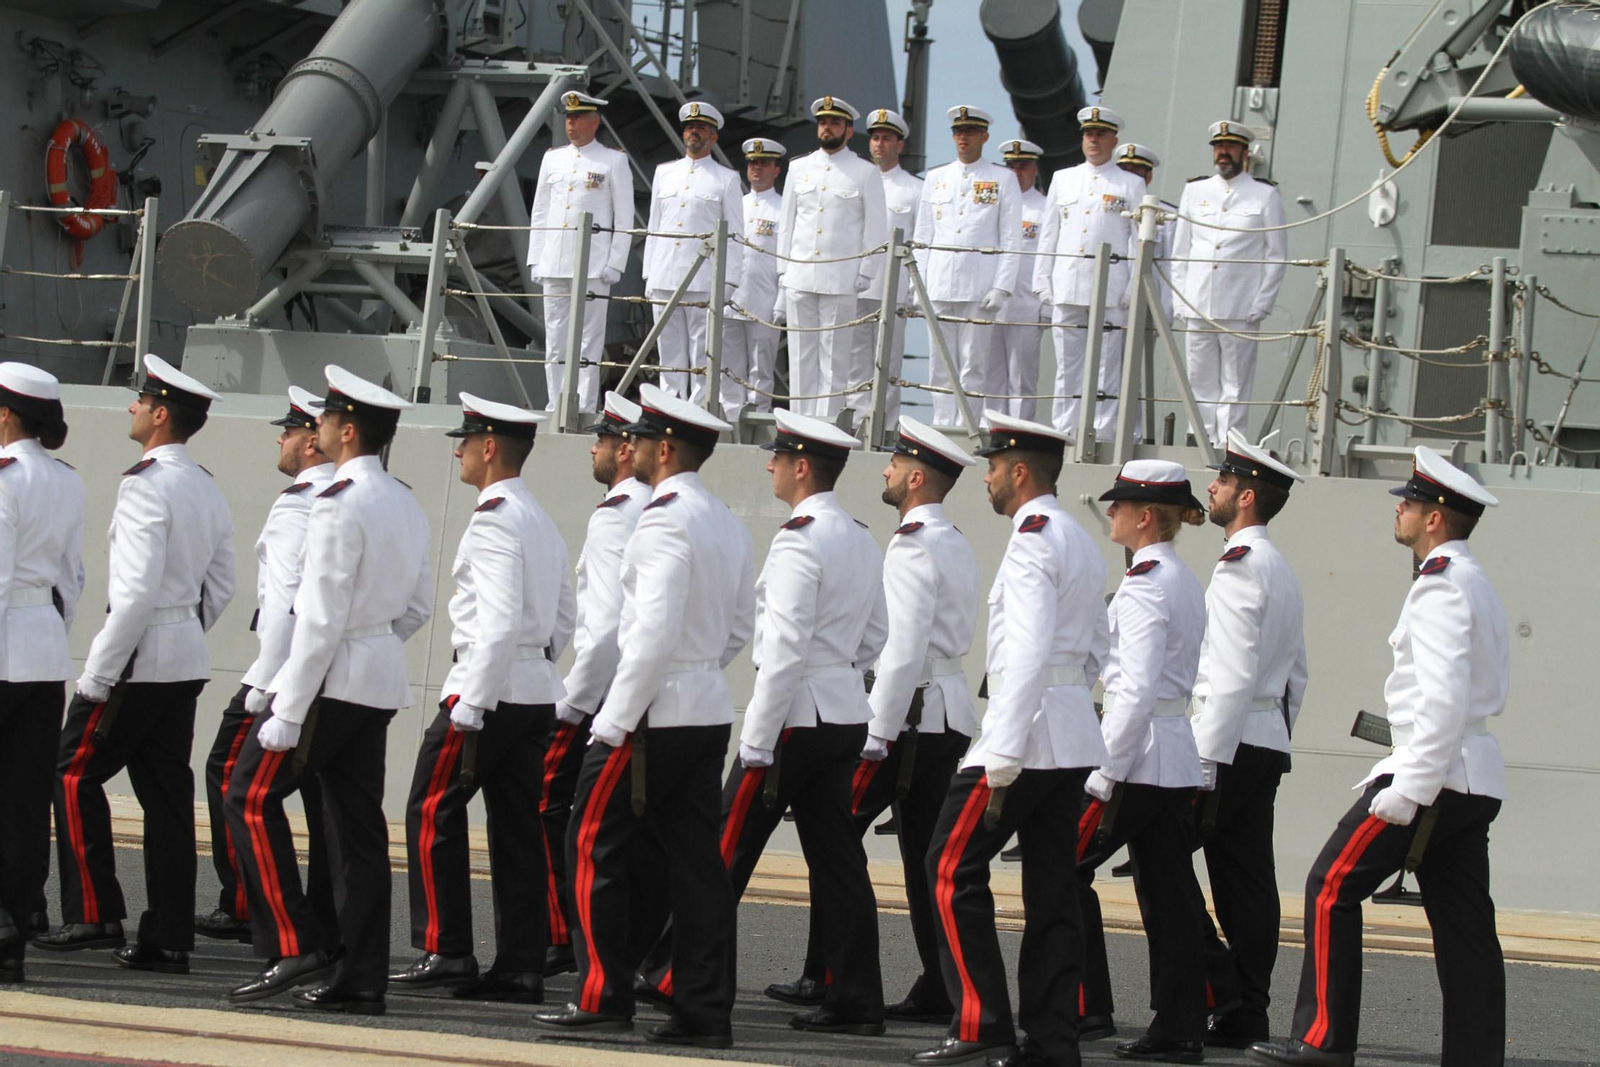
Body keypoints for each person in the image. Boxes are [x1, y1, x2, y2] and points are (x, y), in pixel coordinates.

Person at [1250, 447, 1508, 1067]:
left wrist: (1410, 787)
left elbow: (1442, 697)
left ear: (1437, 518)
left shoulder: (1443, 585)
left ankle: (1322, 1041)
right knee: (1465, 925)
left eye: (1412, 502)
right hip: (1471, 778)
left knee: (1330, 885)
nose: (1402, 508)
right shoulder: (1472, 578)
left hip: (1433, 774)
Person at [648, 409, 889, 1035]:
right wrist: (835, 671)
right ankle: (857, 999)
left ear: (802, 467)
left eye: (778, 457)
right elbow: (877, 636)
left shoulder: (799, 539)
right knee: (838, 862)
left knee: (721, 852)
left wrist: (755, 742)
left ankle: (679, 980)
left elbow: (781, 652)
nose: (769, 465)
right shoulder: (861, 537)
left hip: (792, 721)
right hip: (841, 713)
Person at [530, 383, 755, 1049]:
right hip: (705, 705)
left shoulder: (662, 518)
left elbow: (648, 633)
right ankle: (704, 1007)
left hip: (651, 712)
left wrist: (613, 718)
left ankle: (603, 990)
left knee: (590, 840)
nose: (629, 449)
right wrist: (697, 666)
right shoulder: (724, 518)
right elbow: (739, 625)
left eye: (639, 440)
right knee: (697, 866)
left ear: (666, 447)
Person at [224, 365, 433, 1015]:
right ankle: (361, 977)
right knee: (358, 833)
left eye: (323, 421)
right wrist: (371, 639)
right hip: (374, 676)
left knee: (247, 795)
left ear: (346, 430)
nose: (316, 430)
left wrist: (288, 703)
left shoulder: (339, 501)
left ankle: (295, 941)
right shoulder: (402, 497)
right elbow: (418, 606)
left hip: (329, 678)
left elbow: (317, 615)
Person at [909, 411, 1108, 1067]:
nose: (986, 476)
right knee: (1053, 891)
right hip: (1072, 735)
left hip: (1022, 737)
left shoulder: (1030, 540)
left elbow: (1021, 657)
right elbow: (1095, 652)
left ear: (1019, 471)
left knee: (947, 865)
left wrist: (1002, 753)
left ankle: (981, 1023)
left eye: (992, 465)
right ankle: (1053, 1041)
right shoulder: (1077, 537)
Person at [765, 416, 978, 1026]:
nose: (884, 471)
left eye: (893, 464)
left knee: (833, 839)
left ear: (915, 477)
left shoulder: (913, 542)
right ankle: (936, 982)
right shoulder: (952, 538)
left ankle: (830, 976)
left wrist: (876, 734)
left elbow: (902, 648)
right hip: (943, 713)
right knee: (918, 858)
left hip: (906, 722)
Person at [39, 354, 234, 975]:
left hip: (137, 661)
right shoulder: (204, 482)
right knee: (168, 802)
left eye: (138, 400)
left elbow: (135, 593)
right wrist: (183, 630)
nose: (130, 407)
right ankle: (169, 937)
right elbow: (223, 583)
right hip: (182, 660)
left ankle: (93, 911)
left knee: (70, 773)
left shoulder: (146, 484)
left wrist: (97, 675)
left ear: (158, 413)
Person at [390, 393, 574, 1004]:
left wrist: (471, 703)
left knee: (430, 808)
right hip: (534, 691)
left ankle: (446, 948)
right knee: (517, 828)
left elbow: (494, 622)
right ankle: (520, 965)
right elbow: (564, 618)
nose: (458, 451)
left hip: (486, 691)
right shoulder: (539, 518)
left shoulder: (494, 516)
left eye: (465, 441)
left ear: (490, 447)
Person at [1077, 459, 1209, 1062]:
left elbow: (1132, 688)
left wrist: (1106, 771)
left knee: (1060, 867)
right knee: (1170, 895)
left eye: (1120, 505)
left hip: (1137, 757)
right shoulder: (1180, 578)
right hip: (1172, 753)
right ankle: (1181, 1025)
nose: (1112, 513)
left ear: (1146, 517)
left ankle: (1082, 1006)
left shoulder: (1146, 584)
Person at [196, 387, 337, 949]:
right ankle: (329, 924)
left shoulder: (298, 503)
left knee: (233, 782)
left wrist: (265, 684)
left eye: (288, 429)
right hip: (342, 678)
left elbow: (285, 606)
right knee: (328, 804)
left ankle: (251, 906)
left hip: (282, 676)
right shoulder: (356, 498)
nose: (279, 438)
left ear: (310, 441)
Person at [1187, 431, 1307, 1049]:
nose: (1211, 486)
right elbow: (1298, 674)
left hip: (1223, 743)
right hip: (1264, 740)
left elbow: (1229, 677)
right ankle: (1248, 1012)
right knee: (1246, 880)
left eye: (1223, 480)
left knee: (1160, 856)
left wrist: (1203, 764)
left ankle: (1219, 986)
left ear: (1247, 496)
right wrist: (1276, 736)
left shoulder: (1237, 568)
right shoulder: (1279, 568)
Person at [542, 391, 646, 978]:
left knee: (559, 812)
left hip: (605, 696)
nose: (595, 448)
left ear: (626, 450)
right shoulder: (658, 509)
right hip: (646, 693)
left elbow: (602, 631)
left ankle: (566, 935)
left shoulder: (614, 517)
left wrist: (572, 705)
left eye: (603, 439)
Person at [0, 363, 83, 984]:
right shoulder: (64, 479)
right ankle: (15, 927)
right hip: (44, 649)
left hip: (4, 646)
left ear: (7, 414)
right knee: (26, 802)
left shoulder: (4, 478)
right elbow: (71, 579)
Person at [1170, 121, 1286, 447]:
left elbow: (1276, 256)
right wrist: (1180, 301)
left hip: (1240, 306)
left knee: (1235, 384)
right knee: (1200, 379)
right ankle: (1200, 440)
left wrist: (1261, 304)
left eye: (1230, 147)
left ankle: (1229, 445)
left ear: (1244, 152)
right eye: (1218, 147)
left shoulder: (1265, 194)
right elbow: (1180, 251)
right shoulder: (1194, 191)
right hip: (1197, 302)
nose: (1223, 153)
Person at [1032, 106, 1144, 438]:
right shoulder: (1063, 179)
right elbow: (1048, 234)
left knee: (1108, 367)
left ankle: (1103, 431)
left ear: (1114, 140)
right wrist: (1042, 280)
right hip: (1067, 284)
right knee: (1068, 367)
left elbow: (1137, 240)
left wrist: (1130, 288)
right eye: (1088, 134)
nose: (1093, 140)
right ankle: (1065, 431)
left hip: (1111, 287)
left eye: (1100, 134)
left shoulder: (1131, 184)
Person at [777, 96, 888, 419]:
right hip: (800, 275)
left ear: (849, 131)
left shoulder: (864, 173)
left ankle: (824, 423)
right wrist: (783, 269)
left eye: (835, 123)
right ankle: (799, 420)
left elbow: (875, 229)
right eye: (824, 123)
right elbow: (787, 223)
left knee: (835, 356)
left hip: (841, 278)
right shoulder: (798, 168)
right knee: (800, 355)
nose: (828, 128)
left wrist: (865, 273)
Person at [913, 105, 1022, 429]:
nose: (964, 138)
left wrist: (1002, 286)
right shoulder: (936, 178)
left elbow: (1011, 238)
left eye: (970, 132)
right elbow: (923, 237)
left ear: (984, 137)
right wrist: (917, 285)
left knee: (974, 366)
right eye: (959, 132)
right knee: (940, 365)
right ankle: (943, 423)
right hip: (940, 283)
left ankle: (967, 427)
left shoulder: (1002, 178)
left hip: (980, 286)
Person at [529, 91, 634, 413]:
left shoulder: (613, 160)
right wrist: (535, 257)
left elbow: (624, 216)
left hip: (593, 264)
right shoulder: (553, 158)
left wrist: (616, 262)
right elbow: (541, 211)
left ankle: (586, 405)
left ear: (594, 121)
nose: (571, 124)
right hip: (555, 261)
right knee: (556, 339)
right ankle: (555, 401)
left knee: (589, 340)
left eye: (577, 118)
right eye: (568, 118)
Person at [642, 102, 745, 407]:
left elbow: (735, 236)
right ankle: (668, 406)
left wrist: (728, 282)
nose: (693, 132)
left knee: (702, 353)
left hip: (703, 279)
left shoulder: (725, 179)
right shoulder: (665, 173)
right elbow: (654, 225)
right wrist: (649, 274)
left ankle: (697, 409)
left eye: (700, 128)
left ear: (713, 137)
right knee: (669, 350)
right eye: (689, 127)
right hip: (664, 274)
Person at [869, 108, 922, 425]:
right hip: (856, 287)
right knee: (850, 365)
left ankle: (884, 431)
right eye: (875, 137)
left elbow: (921, 244)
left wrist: (916, 291)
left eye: (887, 138)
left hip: (894, 291)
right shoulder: (859, 181)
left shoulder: (915, 190)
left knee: (887, 368)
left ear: (899, 145)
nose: (879, 144)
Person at [728, 138, 786, 416]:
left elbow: (786, 258)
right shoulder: (735, 205)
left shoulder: (783, 209)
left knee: (760, 369)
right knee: (729, 367)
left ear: (776, 170)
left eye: (764, 164)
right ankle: (729, 419)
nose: (757, 168)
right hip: (732, 297)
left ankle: (758, 418)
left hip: (765, 299)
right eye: (753, 163)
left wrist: (782, 300)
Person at [994, 138, 1050, 421]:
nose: (1016, 172)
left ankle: (1018, 432)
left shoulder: (1044, 208)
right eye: (1011, 166)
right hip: (991, 303)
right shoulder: (993, 204)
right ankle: (988, 430)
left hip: (1026, 305)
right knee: (989, 377)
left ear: (1034, 169)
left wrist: (1046, 304)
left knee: (1021, 380)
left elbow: (1049, 256)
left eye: (1023, 166)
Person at [1116, 142, 1176, 327]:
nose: (1129, 177)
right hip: (1110, 295)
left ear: (1148, 177)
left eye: (1136, 171)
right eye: (1124, 171)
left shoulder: (1166, 214)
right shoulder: (1110, 209)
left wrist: (1165, 312)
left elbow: (1169, 267)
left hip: (1146, 300)